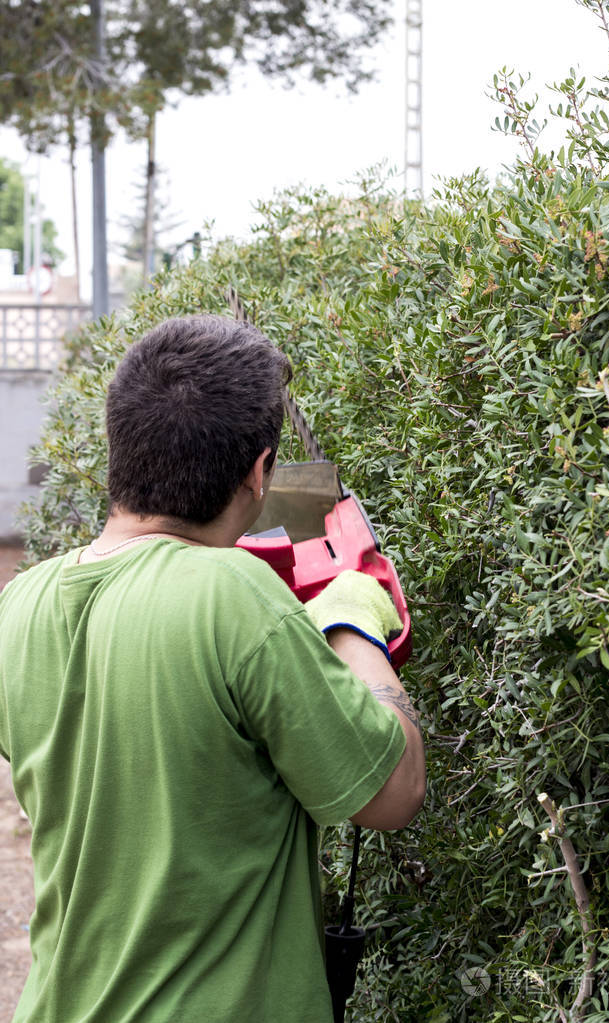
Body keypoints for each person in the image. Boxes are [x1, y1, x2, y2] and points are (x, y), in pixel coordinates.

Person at [0, 314, 425, 1023]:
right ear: (260, 471)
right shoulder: (233, 595)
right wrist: (354, 615)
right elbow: (392, 792)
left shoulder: (19, 604)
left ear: (120, 446)